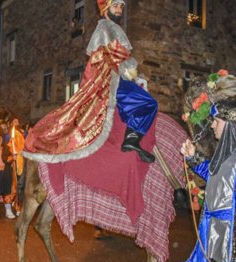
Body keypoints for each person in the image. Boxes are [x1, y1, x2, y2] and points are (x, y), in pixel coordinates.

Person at [23, 0, 157, 163]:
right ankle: (131, 140)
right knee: (149, 103)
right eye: (116, 6)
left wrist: (134, 74)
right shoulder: (104, 28)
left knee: (141, 105)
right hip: (112, 83)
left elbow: (118, 57)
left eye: (121, 6)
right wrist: (129, 69)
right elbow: (113, 56)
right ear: (106, 9)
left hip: (119, 78)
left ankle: (131, 138)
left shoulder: (114, 28)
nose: (120, 10)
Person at [181, 73, 236, 262]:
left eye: (216, 121)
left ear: (230, 124)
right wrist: (193, 157)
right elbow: (214, 176)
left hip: (230, 238)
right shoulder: (225, 155)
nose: (212, 125)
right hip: (214, 233)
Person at [2, 118, 25, 218]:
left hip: (20, 170)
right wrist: (12, 157)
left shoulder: (23, 148)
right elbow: (4, 158)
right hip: (10, 171)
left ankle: (18, 207)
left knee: (20, 189)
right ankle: (8, 209)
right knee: (10, 189)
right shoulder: (8, 145)